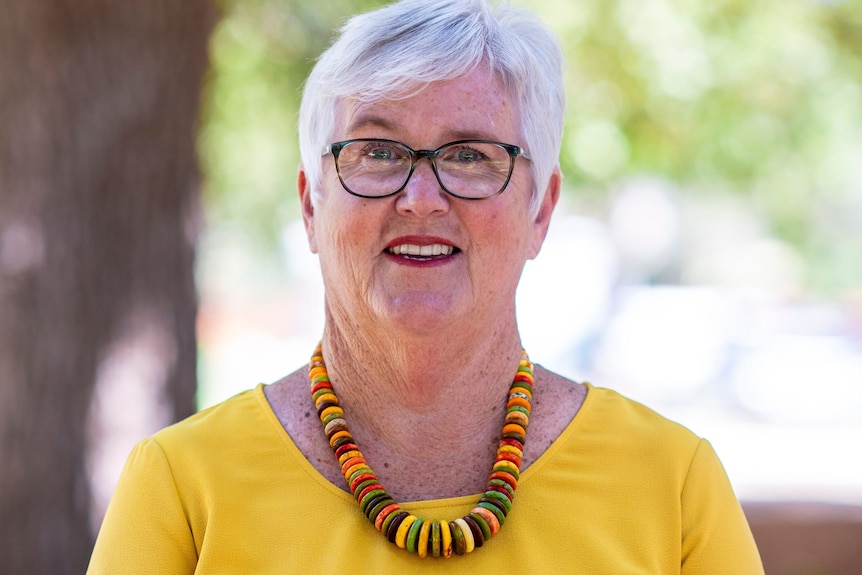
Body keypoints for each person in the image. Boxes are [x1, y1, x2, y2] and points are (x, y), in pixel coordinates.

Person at [87, 0, 764, 572]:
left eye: (469, 155)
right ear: (311, 205)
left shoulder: (671, 486)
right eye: (377, 151)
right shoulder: (183, 488)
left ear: (541, 211)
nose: (419, 197)